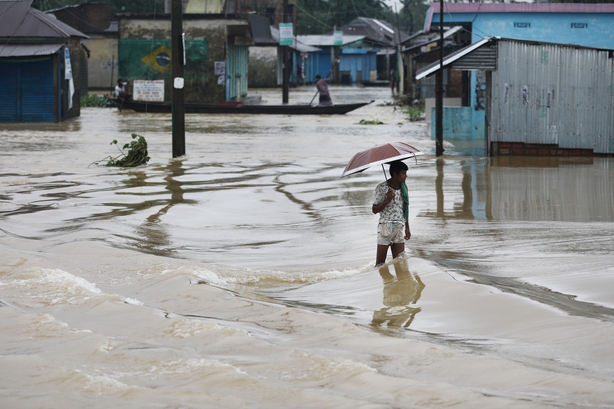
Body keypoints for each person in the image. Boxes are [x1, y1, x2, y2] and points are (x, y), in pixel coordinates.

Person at [372, 160, 411, 267]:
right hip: (385, 228)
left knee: (400, 264)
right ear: (395, 174)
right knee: (380, 265)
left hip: (399, 228)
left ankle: (397, 284)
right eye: (403, 173)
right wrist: (387, 199)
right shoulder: (382, 188)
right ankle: (384, 283)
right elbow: (374, 210)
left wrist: (407, 227)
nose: (406, 176)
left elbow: (405, 209)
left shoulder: (403, 188)